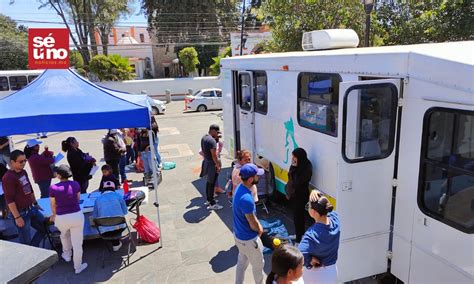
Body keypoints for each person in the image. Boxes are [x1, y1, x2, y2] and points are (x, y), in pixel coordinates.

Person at [49, 165, 88, 274]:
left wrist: (54, 214)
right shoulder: (75, 184)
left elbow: (53, 205)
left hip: (61, 217)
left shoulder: (53, 188)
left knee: (64, 235)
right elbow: (77, 199)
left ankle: (67, 255)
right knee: (77, 243)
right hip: (76, 215)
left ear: (59, 175)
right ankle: (78, 266)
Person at [2, 150, 45, 247]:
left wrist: (35, 203)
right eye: (21, 161)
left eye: (25, 160)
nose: (24, 163)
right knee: (26, 242)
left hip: (31, 208)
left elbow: (29, 188)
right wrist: (17, 217)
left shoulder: (23, 172)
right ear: (12, 162)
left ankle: (35, 250)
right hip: (20, 213)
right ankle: (31, 257)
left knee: (44, 228)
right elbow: (9, 200)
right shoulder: (8, 178)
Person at [233, 163, 265, 284]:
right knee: (258, 267)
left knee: (241, 263)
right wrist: (259, 229)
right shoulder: (246, 198)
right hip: (249, 240)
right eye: (257, 175)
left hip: (238, 236)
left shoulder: (239, 189)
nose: (259, 177)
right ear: (251, 179)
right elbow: (252, 222)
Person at [298, 191, 340, 284]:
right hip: (332, 273)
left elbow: (298, 255)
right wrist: (317, 193)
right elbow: (329, 210)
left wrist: (310, 260)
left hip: (315, 275)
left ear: (313, 212)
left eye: (308, 206)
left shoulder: (311, 234)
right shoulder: (336, 220)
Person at [285, 148, 313, 243]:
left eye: (294, 156)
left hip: (301, 195)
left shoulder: (306, 167)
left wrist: (295, 168)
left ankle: (298, 240)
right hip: (294, 194)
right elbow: (290, 177)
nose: (292, 158)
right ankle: (299, 234)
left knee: (299, 217)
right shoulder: (295, 165)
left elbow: (297, 182)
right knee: (297, 217)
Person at [92, 181, 128, 251]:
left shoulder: (97, 199)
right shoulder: (118, 196)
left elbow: (95, 216)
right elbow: (125, 212)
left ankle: (114, 243)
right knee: (118, 221)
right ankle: (116, 243)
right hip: (120, 228)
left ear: (103, 189)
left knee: (107, 224)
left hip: (105, 230)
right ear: (113, 188)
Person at [200, 124, 223, 210]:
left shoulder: (204, 137)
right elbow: (214, 155)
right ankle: (212, 203)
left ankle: (209, 200)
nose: (217, 134)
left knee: (209, 183)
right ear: (212, 130)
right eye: (217, 132)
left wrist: (216, 138)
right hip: (211, 164)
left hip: (206, 162)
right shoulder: (212, 141)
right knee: (212, 183)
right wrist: (218, 165)